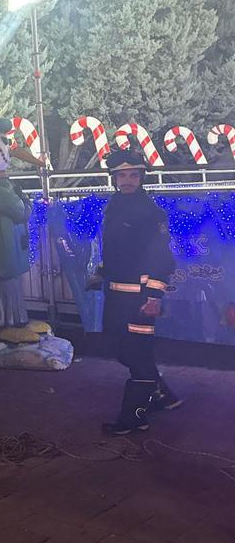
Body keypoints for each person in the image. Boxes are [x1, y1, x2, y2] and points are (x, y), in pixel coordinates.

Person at [91, 146, 180, 435]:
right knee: (120, 349)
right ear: (114, 178)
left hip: (140, 298)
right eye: (122, 176)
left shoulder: (152, 213)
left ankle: (135, 417)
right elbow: (117, 250)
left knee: (137, 355)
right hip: (116, 295)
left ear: (142, 178)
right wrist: (101, 272)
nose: (127, 180)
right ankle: (162, 395)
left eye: (133, 175)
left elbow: (162, 259)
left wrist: (154, 297)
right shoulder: (115, 207)